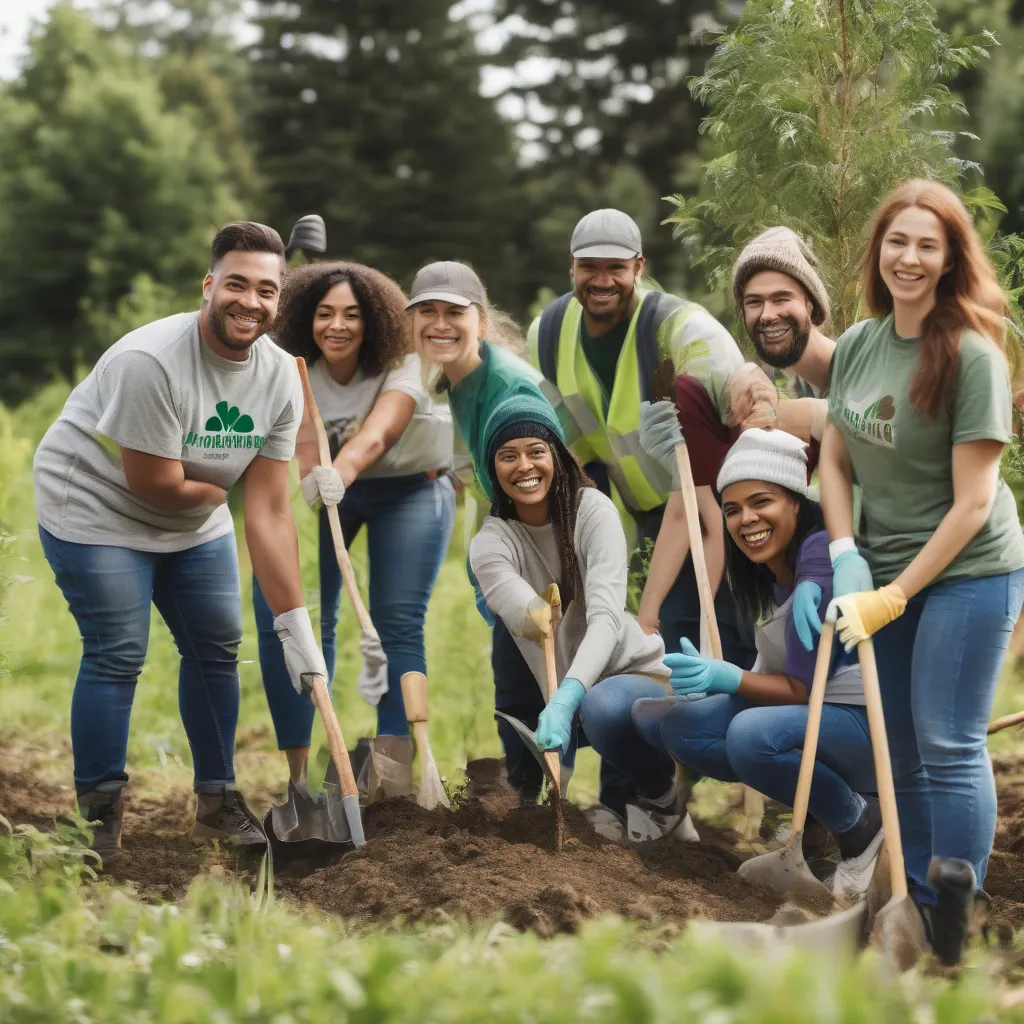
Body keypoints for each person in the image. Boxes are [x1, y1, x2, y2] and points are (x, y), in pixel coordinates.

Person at [33, 222, 329, 857]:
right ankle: (98, 815)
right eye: (237, 284)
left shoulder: (280, 376)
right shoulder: (152, 362)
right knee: (118, 650)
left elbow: (273, 511)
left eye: (267, 291)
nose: (250, 301)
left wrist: (295, 625)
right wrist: (215, 494)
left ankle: (218, 803)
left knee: (218, 646)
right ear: (209, 285)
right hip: (96, 505)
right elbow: (155, 485)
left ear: (279, 301)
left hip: (194, 513)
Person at [818, 179, 1024, 964]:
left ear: (949, 260)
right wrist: (845, 555)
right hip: (886, 573)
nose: (908, 257)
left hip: (969, 571)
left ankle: (950, 916)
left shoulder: (972, 354)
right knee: (896, 748)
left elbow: (974, 504)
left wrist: (896, 595)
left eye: (926, 245)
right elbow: (835, 457)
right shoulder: (865, 345)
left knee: (947, 740)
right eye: (896, 241)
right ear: (879, 251)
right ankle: (910, 900)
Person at [632, 428, 880, 896]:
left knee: (751, 738)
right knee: (682, 725)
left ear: (795, 503)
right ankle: (820, 816)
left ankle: (859, 820)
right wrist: (716, 684)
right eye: (732, 509)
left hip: (865, 728)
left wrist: (729, 678)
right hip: (819, 720)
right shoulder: (773, 575)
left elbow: (803, 689)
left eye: (761, 502)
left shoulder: (820, 559)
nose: (746, 519)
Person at [527, 208, 773, 663]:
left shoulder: (685, 332)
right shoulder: (548, 335)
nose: (602, 280)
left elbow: (745, 444)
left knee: (712, 640)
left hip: (720, 508)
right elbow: (576, 465)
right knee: (657, 654)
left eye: (616, 268)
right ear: (571, 266)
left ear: (640, 267)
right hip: (645, 519)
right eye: (589, 268)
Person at [253, 262, 456, 789]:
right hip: (324, 491)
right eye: (324, 314)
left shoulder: (403, 361)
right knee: (301, 618)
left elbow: (378, 432)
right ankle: (301, 775)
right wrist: (311, 481)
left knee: (397, 620)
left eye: (351, 315)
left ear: (375, 322)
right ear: (305, 319)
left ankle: (391, 775)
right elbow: (298, 441)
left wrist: (338, 472)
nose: (336, 326)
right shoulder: (294, 368)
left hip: (410, 487)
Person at [469, 394, 688, 837]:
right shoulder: (491, 541)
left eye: (536, 451)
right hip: (557, 691)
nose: (524, 466)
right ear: (492, 469)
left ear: (557, 454)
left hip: (631, 679)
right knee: (516, 684)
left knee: (600, 706)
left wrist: (568, 696)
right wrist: (531, 611)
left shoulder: (593, 512)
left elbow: (606, 618)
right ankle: (548, 804)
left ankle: (662, 800)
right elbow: (514, 603)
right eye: (507, 456)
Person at [637, 226, 835, 635]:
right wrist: (648, 619)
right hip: (763, 598)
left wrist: (797, 414)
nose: (767, 314)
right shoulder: (745, 388)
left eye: (783, 298)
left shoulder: (856, 365)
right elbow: (691, 507)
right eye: (754, 302)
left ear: (812, 304)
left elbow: (875, 432)